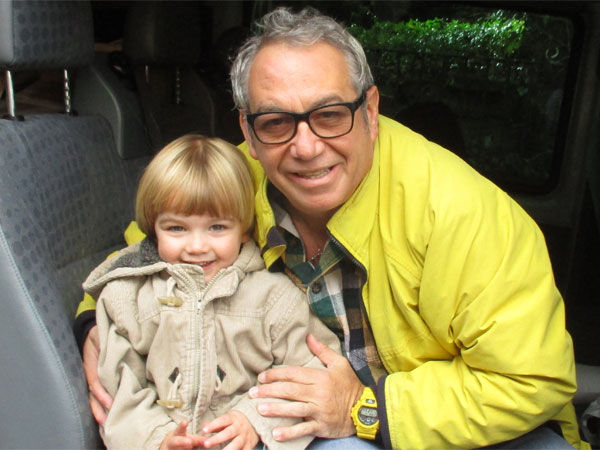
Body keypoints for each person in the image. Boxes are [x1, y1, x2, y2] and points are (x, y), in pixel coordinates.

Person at [75, 7, 590, 450]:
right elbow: (143, 252)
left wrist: (365, 408)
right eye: (276, 122)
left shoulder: (463, 214)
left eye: (329, 114)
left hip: (476, 429)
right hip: (307, 424)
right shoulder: (235, 176)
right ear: (247, 131)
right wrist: (94, 323)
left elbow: (530, 381)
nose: (305, 146)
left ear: (369, 110)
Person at [82, 134, 341, 450]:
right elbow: (121, 388)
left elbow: (307, 372)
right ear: (153, 228)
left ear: (243, 229)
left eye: (217, 227)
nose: (196, 246)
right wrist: (157, 439)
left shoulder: (274, 298)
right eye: (177, 228)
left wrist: (255, 419)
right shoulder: (129, 299)